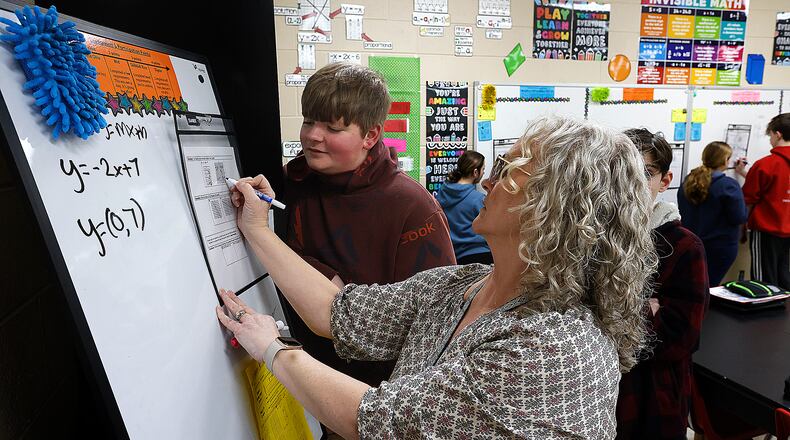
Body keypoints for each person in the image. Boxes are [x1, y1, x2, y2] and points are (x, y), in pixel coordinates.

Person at [217, 116, 658, 439]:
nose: (487, 183)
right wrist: (257, 229)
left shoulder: (554, 346)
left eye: (508, 170)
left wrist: (274, 349)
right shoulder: (462, 285)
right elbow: (339, 313)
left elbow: (374, 419)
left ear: (554, 207)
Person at [281, 62, 456, 388]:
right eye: (308, 122)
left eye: (333, 129)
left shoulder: (413, 207)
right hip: (297, 370)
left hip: (370, 392)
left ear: (371, 135)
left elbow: (438, 319)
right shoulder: (293, 183)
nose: (313, 137)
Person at [616, 128, 709, 440]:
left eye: (645, 173)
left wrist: (609, 312)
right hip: (598, 390)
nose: (630, 182)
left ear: (664, 181)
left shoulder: (683, 245)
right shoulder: (592, 238)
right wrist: (645, 308)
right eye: (621, 170)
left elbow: (679, 335)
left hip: (651, 396)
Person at [677, 141, 747, 286]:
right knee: (709, 286)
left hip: (691, 245)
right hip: (720, 248)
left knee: (694, 286)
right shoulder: (728, 185)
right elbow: (739, 217)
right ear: (724, 161)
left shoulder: (688, 182)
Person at [736, 113, 790, 289]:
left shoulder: (765, 164)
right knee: (785, 276)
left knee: (764, 280)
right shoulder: (767, 166)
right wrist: (745, 174)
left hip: (767, 231)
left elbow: (750, 199)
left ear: (778, 134)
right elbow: (780, 184)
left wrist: (743, 226)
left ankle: (766, 314)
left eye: (771, 136)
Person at [435, 150, 492, 264]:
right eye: (483, 169)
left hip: (453, 257)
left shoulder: (441, 194)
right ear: (475, 172)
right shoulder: (479, 199)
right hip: (480, 256)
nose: (483, 173)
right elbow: (490, 229)